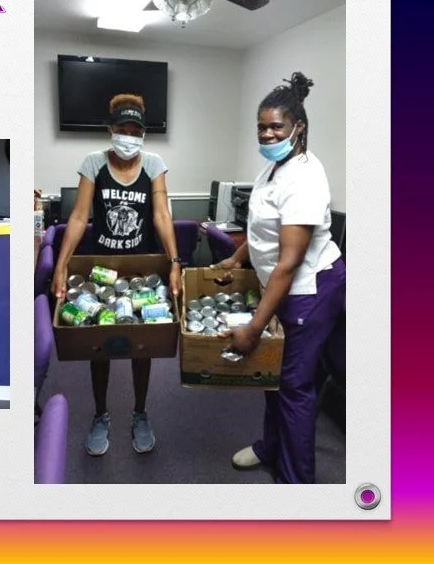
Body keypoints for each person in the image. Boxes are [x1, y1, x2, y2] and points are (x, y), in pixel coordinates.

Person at [215, 72, 345, 484]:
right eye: (262, 127)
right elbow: (261, 231)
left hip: (309, 289)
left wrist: (253, 328)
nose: (268, 135)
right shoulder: (271, 170)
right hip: (280, 284)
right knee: (272, 373)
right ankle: (271, 448)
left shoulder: (305, 178)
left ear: (297, 127)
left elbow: (289, 262)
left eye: (276, 126)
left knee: (293, 386)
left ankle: (296, 483)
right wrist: (237, 258)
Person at [51, 95, 183, 457]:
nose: (128, 137)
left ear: (143, 134)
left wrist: (174, 261)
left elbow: (161, 215)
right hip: (101, 269)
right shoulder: (93, 163)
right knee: (100, 344)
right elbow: (79, 217)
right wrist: (62, 264)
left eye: (135, 131)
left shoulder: (154, 163)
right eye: (121, 130)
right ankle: (100, 414)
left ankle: (140, 412)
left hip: (142, 269)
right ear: (110, 131)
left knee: (144, 345)